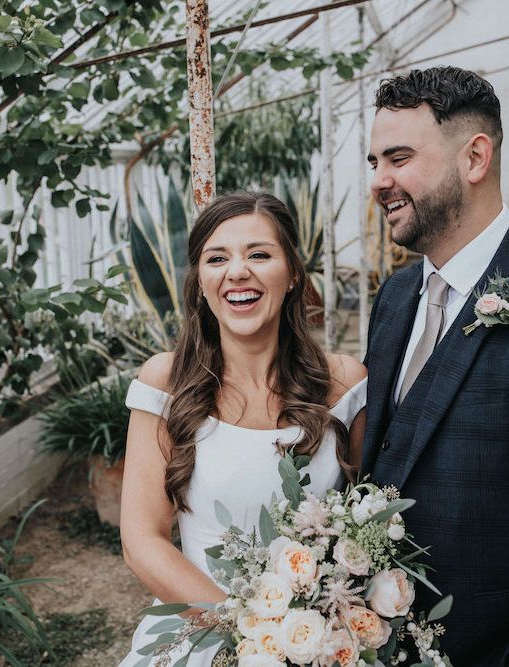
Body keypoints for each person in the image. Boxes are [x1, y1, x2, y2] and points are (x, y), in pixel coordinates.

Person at [363, 65, 509, 665]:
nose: (380, 181)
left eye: (398, 158)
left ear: (475, 157)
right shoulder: (396, 300)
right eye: (374, 162)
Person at [118, 192, 367, 665]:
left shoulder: (345, 385)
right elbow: (142, 541)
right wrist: (254, 637)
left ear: (292, 273)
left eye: (259, 254)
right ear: (200, 281)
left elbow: (364, 522)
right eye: (217, 258)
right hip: (199, 633)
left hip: (316, 642)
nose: (237, 272)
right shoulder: (164, 383)